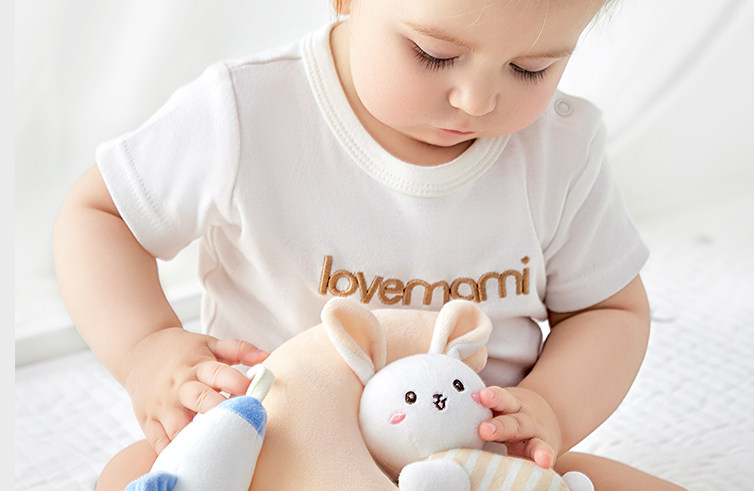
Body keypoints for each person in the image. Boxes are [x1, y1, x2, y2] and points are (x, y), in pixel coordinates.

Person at [53, 0, 685, 489]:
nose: (475, 100)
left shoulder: (560, 150)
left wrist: (549, 406)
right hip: (273, 450)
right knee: (134, 474)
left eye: (531, 68)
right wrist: (146, 347)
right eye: (433, 54)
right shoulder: (246, 112)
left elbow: (608, 310)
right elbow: (101, 215)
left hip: (469, 458)